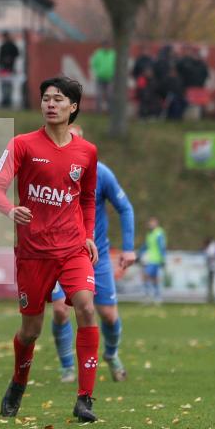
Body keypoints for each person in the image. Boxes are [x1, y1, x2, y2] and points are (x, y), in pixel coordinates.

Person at [0, 76, 100, 422]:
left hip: (72, 250)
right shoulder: (22, 144)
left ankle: (85, 399)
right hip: (33, 253)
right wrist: (11, 209)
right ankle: (18, 383)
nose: (50, 104)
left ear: (73, 107)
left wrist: (88, 234)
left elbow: (87, 198)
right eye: (46, 99)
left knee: (85, 306)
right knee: (31, 331)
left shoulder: (87, 152)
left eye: (58, 99)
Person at [49, 124, 135, 384]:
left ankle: (111, 354)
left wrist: (129, 248)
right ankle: (67, 367)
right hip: (57, 254)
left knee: (108, 314)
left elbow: (125, 208)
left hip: (94, 255)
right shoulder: (49, 171)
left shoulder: (101, 174)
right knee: (61, 311)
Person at [140, 217, 166, 302]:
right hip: (149, 259)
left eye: (152, 223)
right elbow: (146, 245)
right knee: (152, 278)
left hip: (156, 259)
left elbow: (162, 246)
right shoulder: (149, 234)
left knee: (148, 276)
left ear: (156, 223)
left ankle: (151, 295)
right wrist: (139, 254)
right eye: (150, 223)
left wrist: (163, 259)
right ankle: (155, 296)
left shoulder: (159, 233)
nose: (150, 225)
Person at [89, 41, 115, 112]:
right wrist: (97, 72)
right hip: (100, 77)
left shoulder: (113, 54)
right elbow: (93, 64)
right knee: (99, 95)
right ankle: (98, 110)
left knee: (110, 95)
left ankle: (110, 110)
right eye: (106, 45)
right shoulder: (98, 53)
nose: (107, 47)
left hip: (110, 78)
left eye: (108, 45)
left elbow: (116, 65)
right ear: (103, 46)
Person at [0, 31, 19, 107]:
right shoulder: (2, 46)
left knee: (8, 85)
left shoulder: (12, 46)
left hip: (10, 68)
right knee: (4, 85)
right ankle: (5, 99)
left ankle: (8, 100)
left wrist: (10, 59)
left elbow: (17, 54)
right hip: (4, 69)